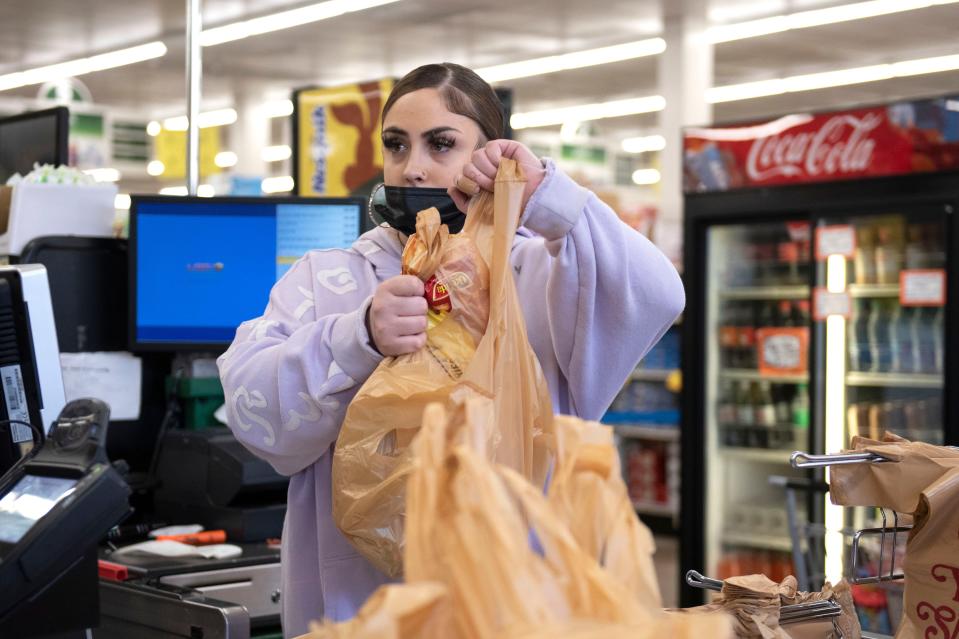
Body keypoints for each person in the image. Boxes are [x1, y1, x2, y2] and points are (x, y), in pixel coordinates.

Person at [217, 62, 684, 637]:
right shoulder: (328, 279)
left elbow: (658, 293)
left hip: (514, 598)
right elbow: (253, 414)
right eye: (396, 145)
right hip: (361, 604)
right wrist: (358, 335)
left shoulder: (535, 271)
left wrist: (549, 198)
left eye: (442, 144)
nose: (412, 168)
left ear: (490, 153)